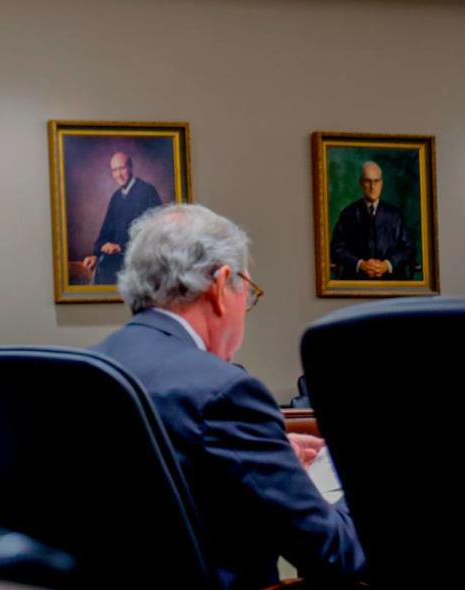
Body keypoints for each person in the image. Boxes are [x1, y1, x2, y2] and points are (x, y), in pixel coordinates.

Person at [92, 204, 365, 589]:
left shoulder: (90, 367)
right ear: (221, 284)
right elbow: (334, 553)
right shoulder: (224, 391)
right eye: (248, 292)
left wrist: (268, 454)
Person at [81, 151, 163, 284]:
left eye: (122, 168)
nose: (118, 174)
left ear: (131, 167)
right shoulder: (116, 198)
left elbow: (156, 233)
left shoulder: (148, 191)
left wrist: (121, 247)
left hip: (140, 262)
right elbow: (106, 231)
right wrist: (95, 254)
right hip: (116, 261)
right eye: (114, 170)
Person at [330, 161, 416, 279]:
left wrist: (388, 264)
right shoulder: (348, 214)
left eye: (376, 181)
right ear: (361, 183)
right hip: (357, 280)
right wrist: (360, 264)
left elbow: (409, 249)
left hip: (391, 280)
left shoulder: (395, 215)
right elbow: (336, 249)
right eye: (368, 181)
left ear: (382, 184)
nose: (372, 187)